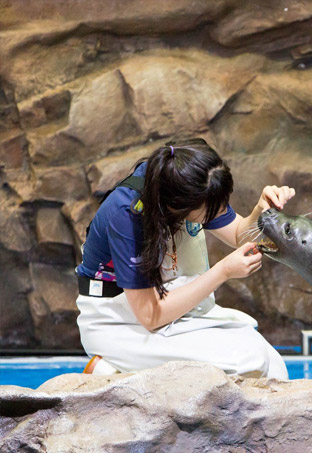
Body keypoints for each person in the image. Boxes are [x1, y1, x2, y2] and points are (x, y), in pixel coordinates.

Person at [75, 138, 294, 379]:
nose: (219, 214)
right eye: (212, 212)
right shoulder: (127, 214)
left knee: (272, 365)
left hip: (168, 306)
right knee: (248, 361)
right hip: (118, 319)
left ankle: (129, 367)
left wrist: (261, 210)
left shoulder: (182, 179)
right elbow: (150, 315)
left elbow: (237, 233)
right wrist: (223, 271)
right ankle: (115, 371)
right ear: (179, 207)